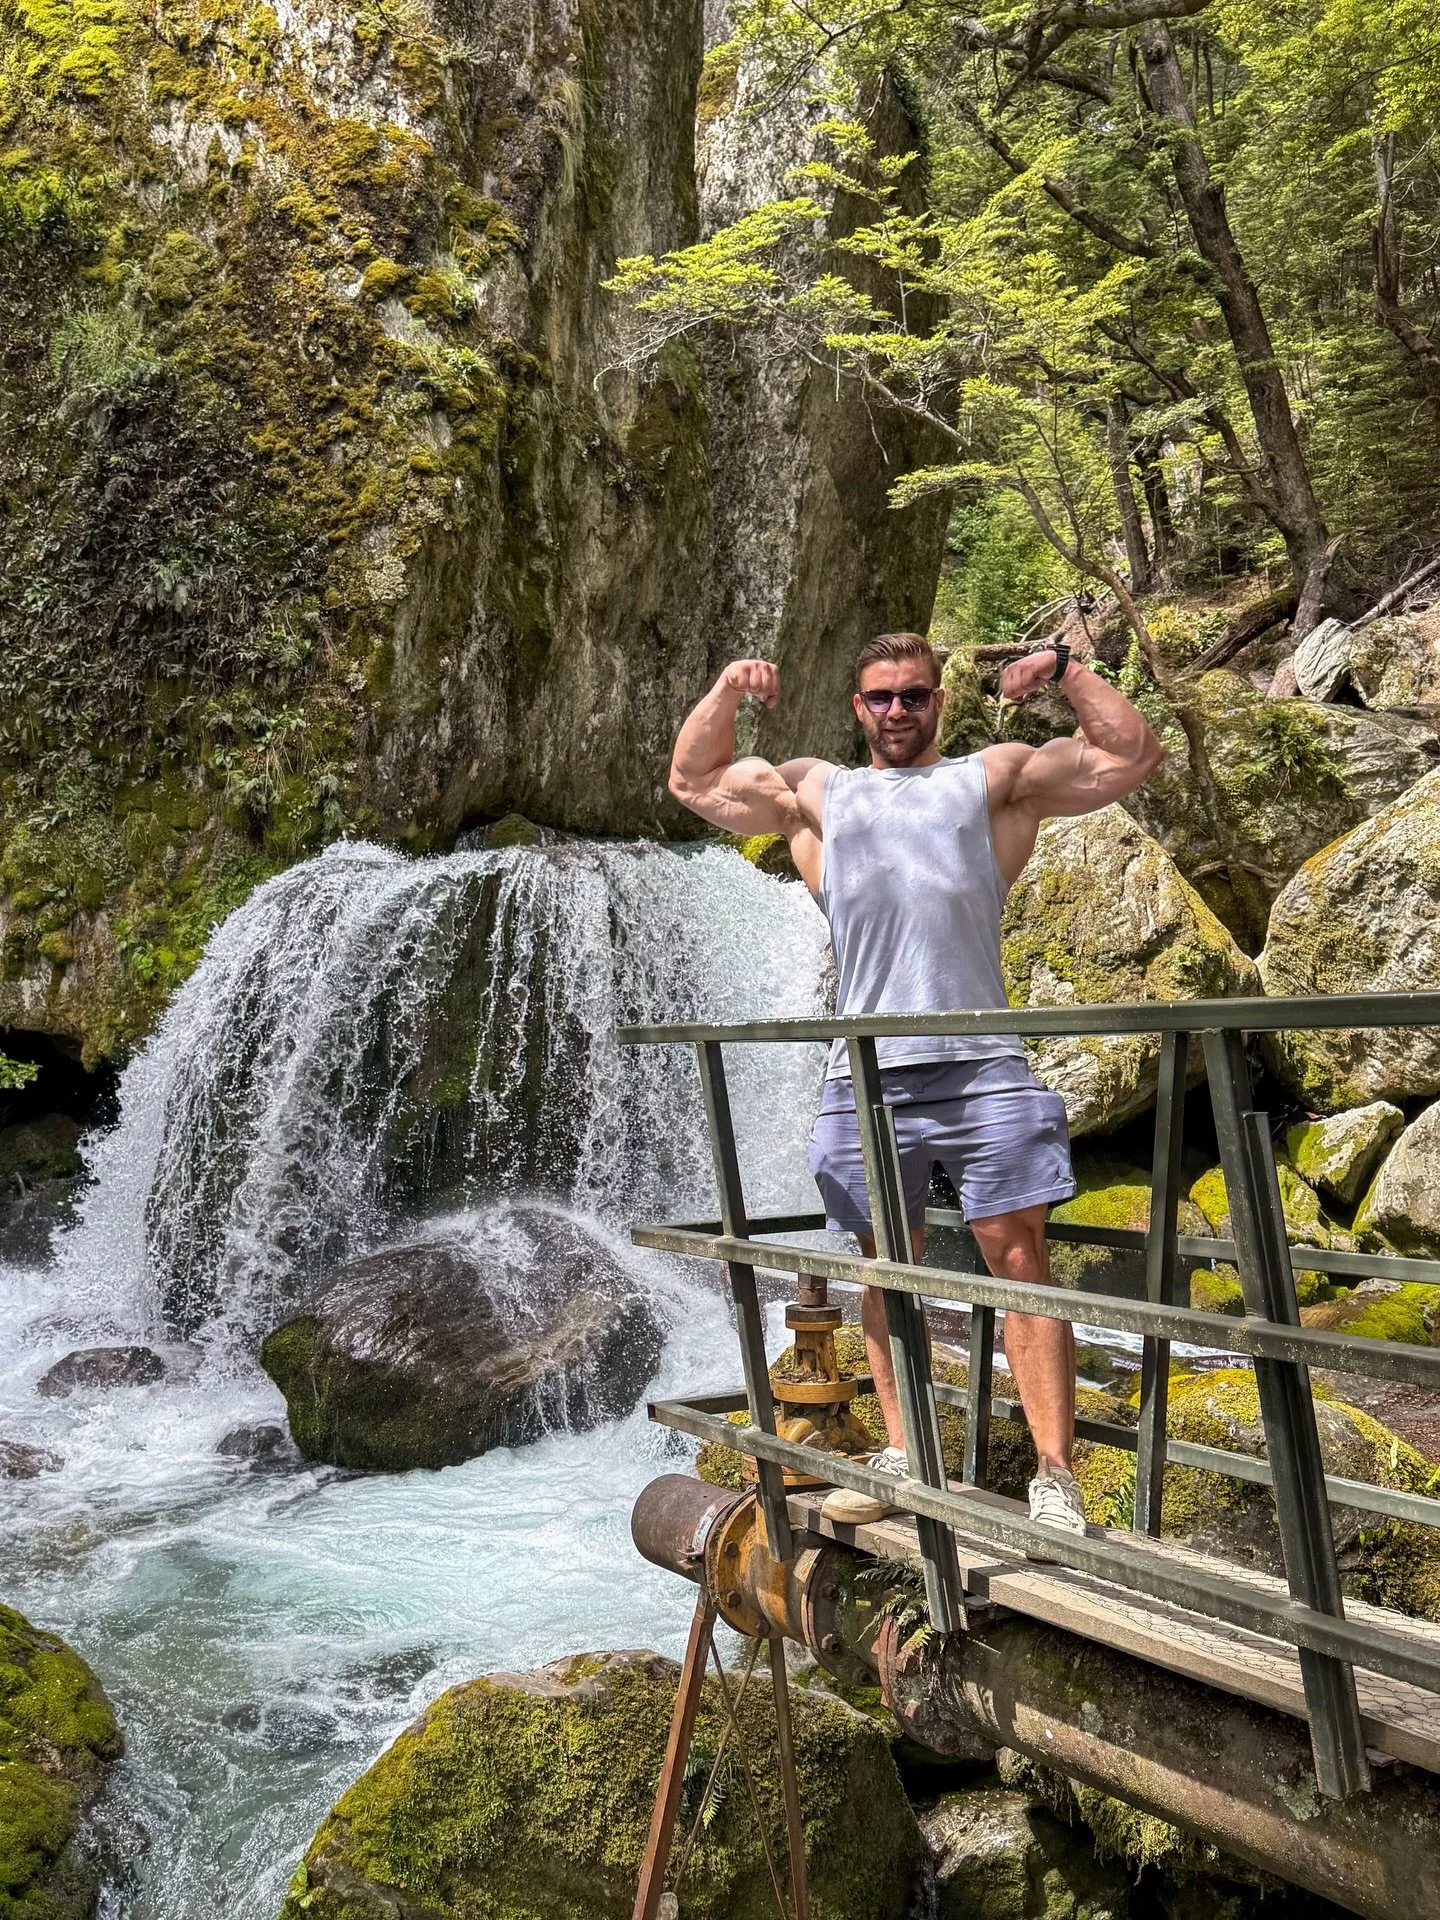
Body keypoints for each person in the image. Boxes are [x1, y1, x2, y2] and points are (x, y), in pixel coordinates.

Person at [667, 630, 1164, 1535]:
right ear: (857, 706)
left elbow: (1131, 754)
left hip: (983, 1064)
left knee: (1021, 1259)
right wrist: (729, 687)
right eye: (880, 696)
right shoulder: (818, 793)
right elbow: (694, 781)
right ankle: (903, 1453)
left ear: (940, 699)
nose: (897, 709)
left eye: (914, 694)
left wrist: (1064, 670)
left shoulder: (992, 778)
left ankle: (1055, 1477)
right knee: (885, 1266)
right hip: (866, 1071)